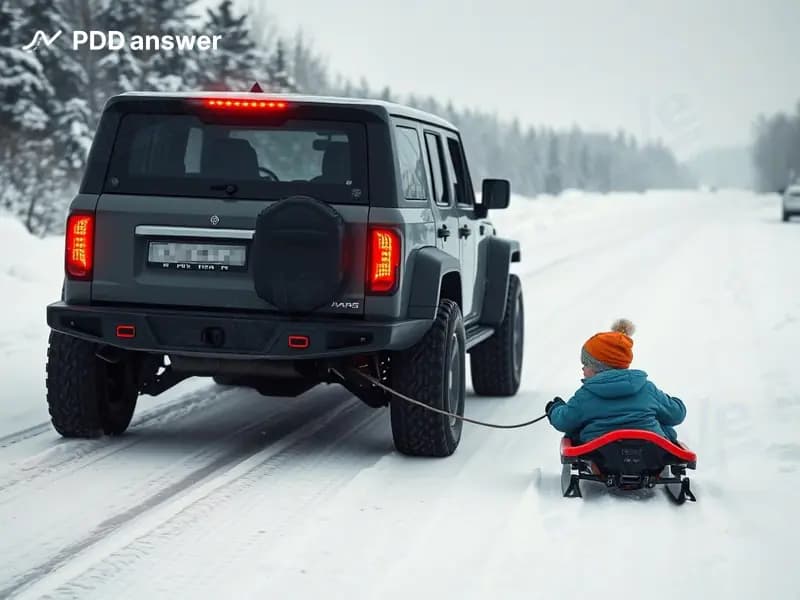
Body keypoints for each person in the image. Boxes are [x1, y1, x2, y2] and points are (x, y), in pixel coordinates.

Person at [545, 319, 686, 444]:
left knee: (575, 430)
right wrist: (673, 402)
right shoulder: (647, 389)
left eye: (586, 364)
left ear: (597, 367)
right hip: (650, 455)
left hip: (600, 457)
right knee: (664, 426)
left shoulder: (586, 395)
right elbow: (676, 415)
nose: (583, 368)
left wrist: (554, 409)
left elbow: (564, 421)